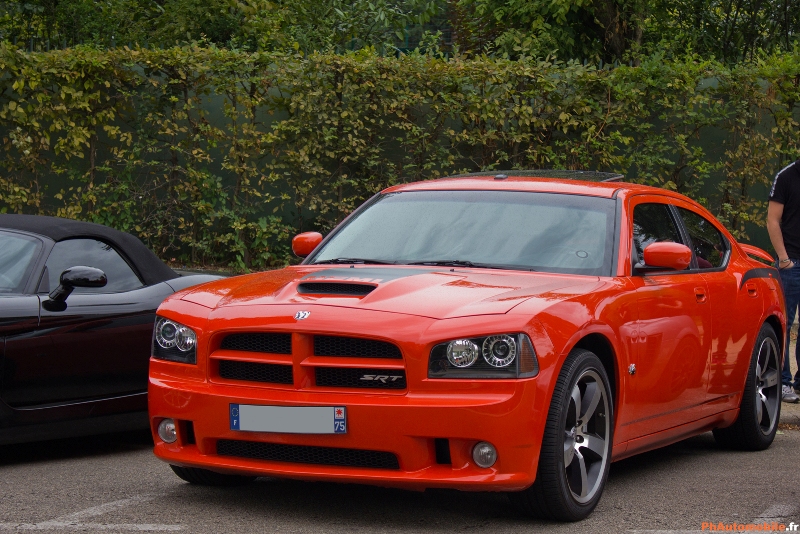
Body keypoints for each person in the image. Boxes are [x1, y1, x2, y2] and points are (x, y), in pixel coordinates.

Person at [767, 159, 800, 403]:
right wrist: (784, 258)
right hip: (791, 264)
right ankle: (785, 382)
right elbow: (772, 220)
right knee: (784, 324)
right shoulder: (786, 176)